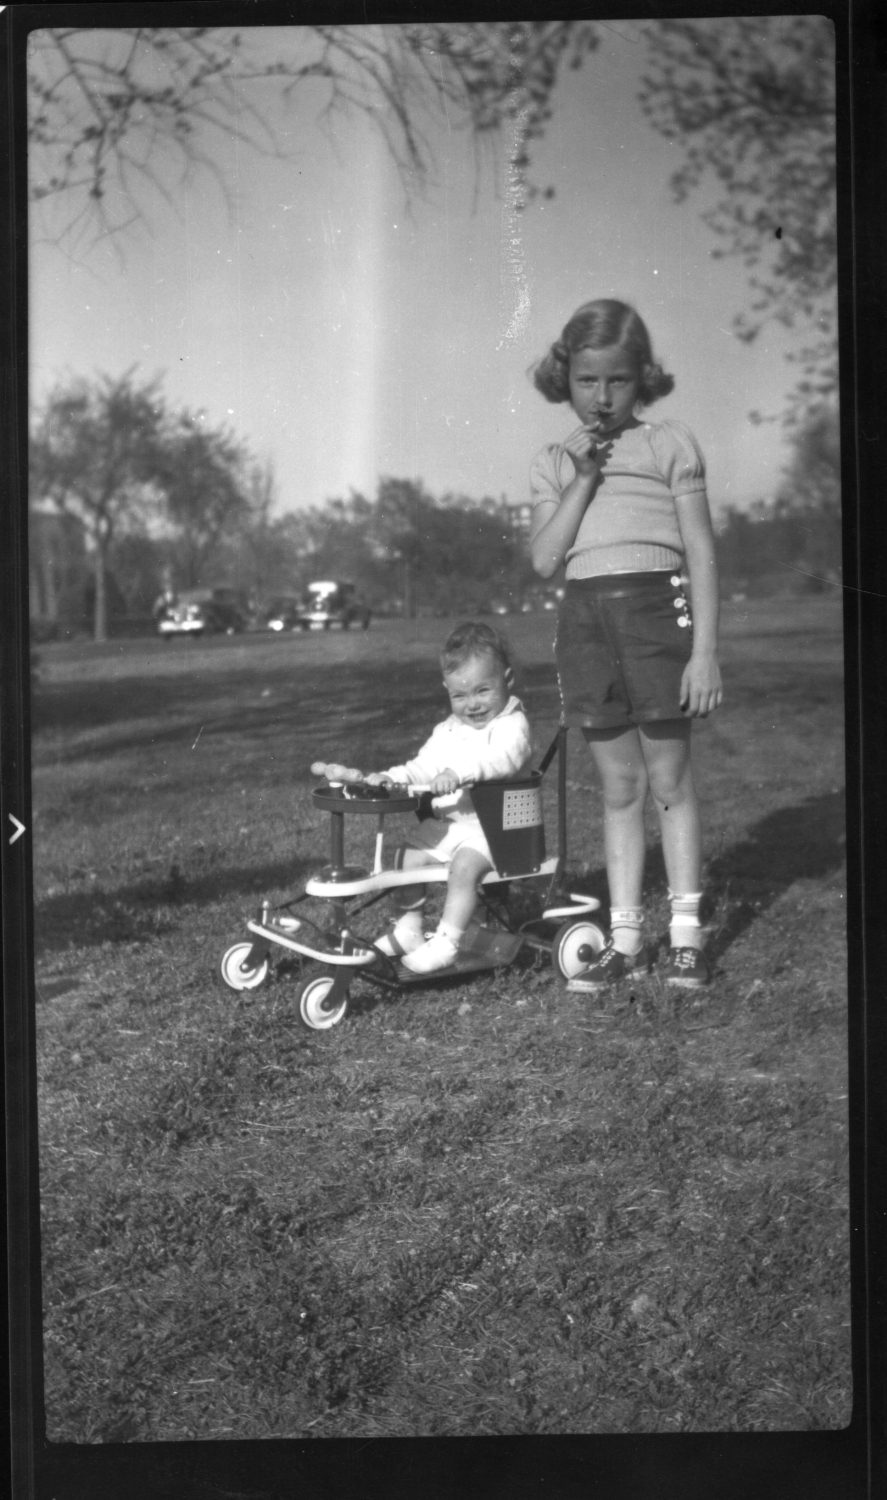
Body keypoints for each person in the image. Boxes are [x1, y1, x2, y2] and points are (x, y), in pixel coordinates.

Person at [528, 298, 722, 989]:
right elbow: (544, 559)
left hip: (655, 615)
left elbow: (701, 552)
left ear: (642, 377)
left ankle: (686, 935)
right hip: (585, 623)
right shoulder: (555, 461)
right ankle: (627, 938)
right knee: (618, 786)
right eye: (587, 381)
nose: (602, 397)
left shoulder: (668, 444)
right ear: (566, 379)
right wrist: (583, 479)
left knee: (668, 780)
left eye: (617, 380)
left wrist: (703, 652)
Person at [320, 622, 532, 974]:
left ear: (507, 680)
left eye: (483, 691)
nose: (473, 704)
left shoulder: (512, 726)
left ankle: (448, 942)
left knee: (464, 868)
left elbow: (501, 760)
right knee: (407, 855)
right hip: (454, 827)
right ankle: (409, 931)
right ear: (447, 690)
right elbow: (422, 766)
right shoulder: (448, 731)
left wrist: (458, 773)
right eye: (460, 696)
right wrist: (392, 779)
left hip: (500, 830)